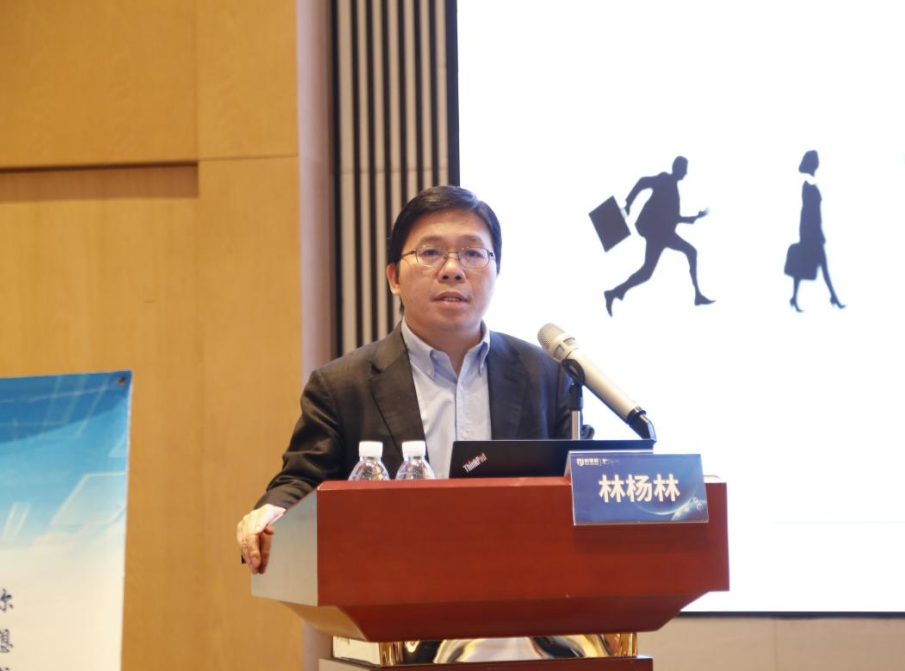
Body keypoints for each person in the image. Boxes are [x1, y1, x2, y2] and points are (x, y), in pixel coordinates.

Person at [236, 186, 573, 573]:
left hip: (522, 592)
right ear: (394, 277)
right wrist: (272, 511)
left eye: (472, 253)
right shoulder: (342, 386)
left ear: (496, 271)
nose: (452, 269)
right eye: (430, 253)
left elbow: (581, 479)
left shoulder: (546, 375)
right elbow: (301, 482)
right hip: (394, 590)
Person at [604, 156, 712, 316]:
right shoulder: (665, 180)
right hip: (658, 232)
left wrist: (694, 217)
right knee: (689, 252)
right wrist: (628, 204)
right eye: (685, 169)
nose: (686, 172)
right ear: (678, 168)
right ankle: (697, 295)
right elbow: (642, 181)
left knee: (647, 271)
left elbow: (674, 218)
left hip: (663, 233)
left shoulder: (673, 188)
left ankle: (614, 293)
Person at [788, 150, 844, 312]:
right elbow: (808, 212)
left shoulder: (810, 185)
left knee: (804, 264)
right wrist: (814, 232)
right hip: (810, 232)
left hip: (811, 231)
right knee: (821, 265)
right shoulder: (809, 186)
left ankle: (795, 298)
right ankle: (833, 297)